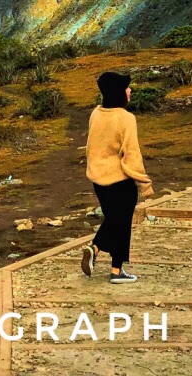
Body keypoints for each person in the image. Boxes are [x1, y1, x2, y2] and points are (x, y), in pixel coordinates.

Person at [81, 70, 153, 282]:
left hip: (98, 179)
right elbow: (132, 153)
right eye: (126, 88)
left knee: (113, 220)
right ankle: (104, 257)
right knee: (120, 223)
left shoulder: (96, 114)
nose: (129, 91)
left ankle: (108, 263)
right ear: (119, 93)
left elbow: (91, 147)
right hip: (120, 180)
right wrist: (144, 183)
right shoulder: (126, 118)